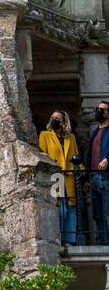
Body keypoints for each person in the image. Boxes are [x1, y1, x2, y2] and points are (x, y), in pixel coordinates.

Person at [39, 109, 80, 245]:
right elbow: (43, 155)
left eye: (58, 118)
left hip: (68, 177)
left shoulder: (71, 138)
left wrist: (82, 172)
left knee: (71, 208)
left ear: (64, 122)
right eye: (52, 117)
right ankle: (60, 239)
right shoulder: (44, 135)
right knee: (60, 209)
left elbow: (76, 157)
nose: (54, 120)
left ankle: (70, 240)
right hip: (55, 176)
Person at [88, 101, 109, 243]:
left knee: (108, 210)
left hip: (106, 176)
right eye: (97, 109)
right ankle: (103, 240)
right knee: (97, 213)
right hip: (94, 175)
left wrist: (108, 159)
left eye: (102, 109)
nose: (99, 111)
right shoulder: (94, 132)